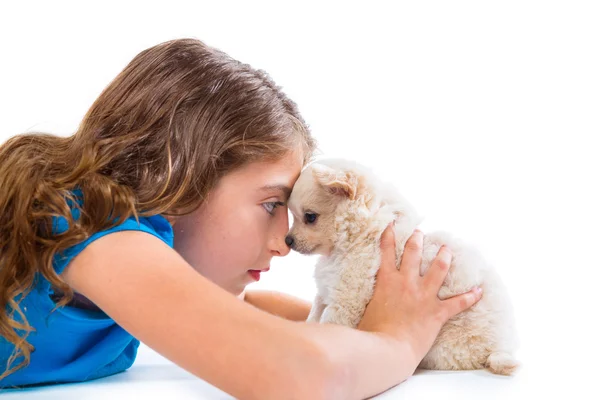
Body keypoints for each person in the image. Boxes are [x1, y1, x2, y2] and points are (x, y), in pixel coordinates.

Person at [0, 38, 482, 399]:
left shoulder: (130, 264)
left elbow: (252, 310)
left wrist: (396, 315)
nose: (283, 241)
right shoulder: (92, 229)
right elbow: (304, 372)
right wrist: (397, 342)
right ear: (178, 171)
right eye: (272, 205)